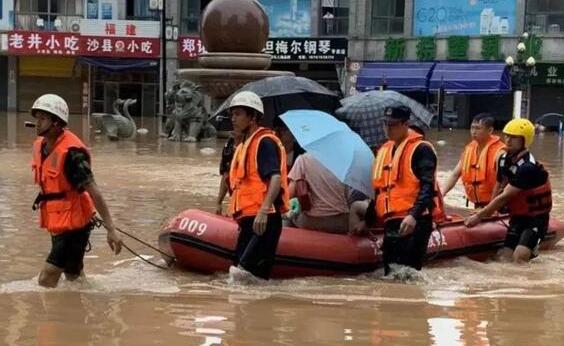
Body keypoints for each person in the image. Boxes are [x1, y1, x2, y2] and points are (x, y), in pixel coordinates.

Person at [30, 94, 123, 288]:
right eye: (36, 118)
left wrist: (111, 229)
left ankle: (48, 318)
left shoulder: (73, 155)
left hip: (75, 225)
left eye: (43, 119)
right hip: (58, 221)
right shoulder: (41, 146)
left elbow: (94, 191)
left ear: (56, 123)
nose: (37, 123)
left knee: (46, 278)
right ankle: (79, 311)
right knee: (73, 277)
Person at [350, 106, 444, 275]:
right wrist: (368, 221)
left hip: (414, 221)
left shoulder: (421, 150)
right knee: (390, 273)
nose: (387, 129)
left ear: (405, 124)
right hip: (391, 222)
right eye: (385, 124)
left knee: (407, 274)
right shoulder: (384, 151)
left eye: (392, 125)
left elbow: (427, 187)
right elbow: (380, 192)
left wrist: (413, 216)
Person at [465, 119, 552, 262]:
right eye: (507, 136)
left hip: (536, 219)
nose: (508, 140)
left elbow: (505, 196)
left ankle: (532, 250)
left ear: (524, 140)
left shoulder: (527, 167)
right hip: (517, 217)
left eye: (514, 137)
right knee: (503, 257)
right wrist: (489, 210)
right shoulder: (503, 159)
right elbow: (499, 185)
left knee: (520, 256)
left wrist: (479, 216)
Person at [228, 91, 290, 280]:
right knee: (240, 273)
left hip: (265, 219)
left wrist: (263, 211)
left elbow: (275, 178)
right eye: (232, 114)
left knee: (242, 275)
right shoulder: (245, 145)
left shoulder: (264, 143)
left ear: (253, 117)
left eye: (238, 114)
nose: (233, 119)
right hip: (250, 220)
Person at [442, 113, 506, 208]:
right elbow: (455, 175)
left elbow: (503, 182)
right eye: (472, 128)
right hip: (477, 205)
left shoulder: (499, 152)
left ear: (490, 130)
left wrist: (492, 208)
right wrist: (442, 194)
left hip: (497, 205)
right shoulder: (469, 149)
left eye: (478, 128)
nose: (473, 132)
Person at [287, 152, 350, 233]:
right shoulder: (344, 161)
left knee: (288, 217)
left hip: (312, 220)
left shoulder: (303, 159)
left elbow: (290, 193)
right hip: (341, 221)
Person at [215, 130, 243, 215]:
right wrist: (219, 203)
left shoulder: (257, 146)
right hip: (238, 201)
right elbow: (226, 175)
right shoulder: (229, 145)